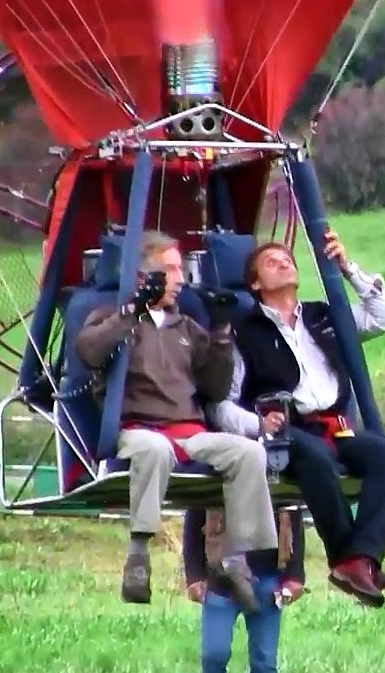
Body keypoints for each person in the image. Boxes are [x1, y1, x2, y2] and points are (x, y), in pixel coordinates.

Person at [75, 230, 279, 611]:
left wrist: (220, 334)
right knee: (153, 450)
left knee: (249, 453)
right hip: (138, 430)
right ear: (144, 276)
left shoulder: (185, 327)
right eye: (171, 270)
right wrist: (132, 310)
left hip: (189, 431)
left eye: (181, 270)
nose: (181, 279)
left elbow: (216, 388)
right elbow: (89, 351)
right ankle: (138, 555)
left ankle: (236, 557)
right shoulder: (109, 317)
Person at [209, 228, 385, 607]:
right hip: (287, 432)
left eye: (288, 259)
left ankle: (359, 559)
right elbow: (222, 404)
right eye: (271, 261)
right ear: (255, 283)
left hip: (336, 427)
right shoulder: (244, 333)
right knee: (314, 458)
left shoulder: (323, 317)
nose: (284, 262)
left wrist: (347, 268)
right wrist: (257, 426)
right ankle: (349, 559)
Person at [184, 507, 306, 673]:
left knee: (264, 663)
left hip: (267, 576)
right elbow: (195, 512)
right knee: (214, 656)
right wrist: (194, 575)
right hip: (220, 580)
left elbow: (293, 512)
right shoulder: (216, 481)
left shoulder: (277, 481)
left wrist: (295, 576)